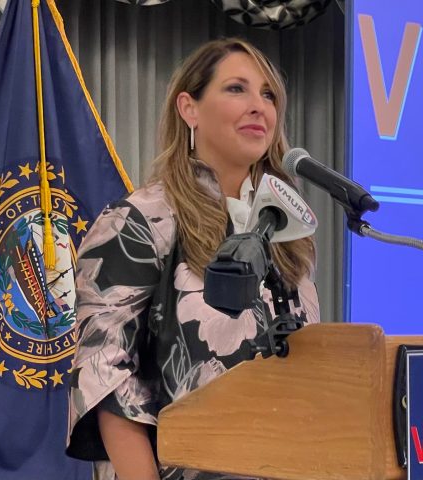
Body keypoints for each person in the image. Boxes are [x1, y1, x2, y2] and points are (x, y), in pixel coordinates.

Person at [66, 38, 320, 480]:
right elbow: (105, 377)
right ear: (189, 109)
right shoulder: (139, 221)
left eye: (268, 95)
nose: (259, 106)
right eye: (237, 88)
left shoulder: (287, 233)